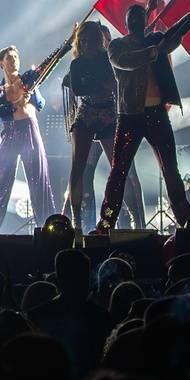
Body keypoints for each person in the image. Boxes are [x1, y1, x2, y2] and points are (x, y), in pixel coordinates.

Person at [93, 0, 190, 235]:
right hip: (130, 116)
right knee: (119, 171)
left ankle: (185, 222)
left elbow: (177, 31)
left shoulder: (157, 40)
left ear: (144, 21)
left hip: (157, 113)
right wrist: (152, 51)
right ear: (128, 24)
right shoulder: (117, 46)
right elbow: (125, 62)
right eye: (133, 19)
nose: (137, 22)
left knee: (171, 170)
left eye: (140, 18)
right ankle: (105, 224)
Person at [61, 20, 143, 231]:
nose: (89, 42)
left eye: (93, 38)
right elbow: (79, 89)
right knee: (78, 168)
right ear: (82, 40)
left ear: (98, 40)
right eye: (86, 39)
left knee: (119, 169)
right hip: (86, 113)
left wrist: (98, 84)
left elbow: (113, 85)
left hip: (107, 114)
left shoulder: (106, 59)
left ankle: (128, 217)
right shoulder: (77, 64)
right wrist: (99, 85)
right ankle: (77, 221)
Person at [0, 44, 64, 231]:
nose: (13, 61)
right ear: (1, 63)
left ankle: (47, 227)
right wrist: (15, 103)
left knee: (39, 179)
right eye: (9, 58)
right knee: (0, 179)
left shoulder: (28, 79)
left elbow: (48, 64)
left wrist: (65, 46)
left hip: (29, 130)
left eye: (16, 57)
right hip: (10, 132)